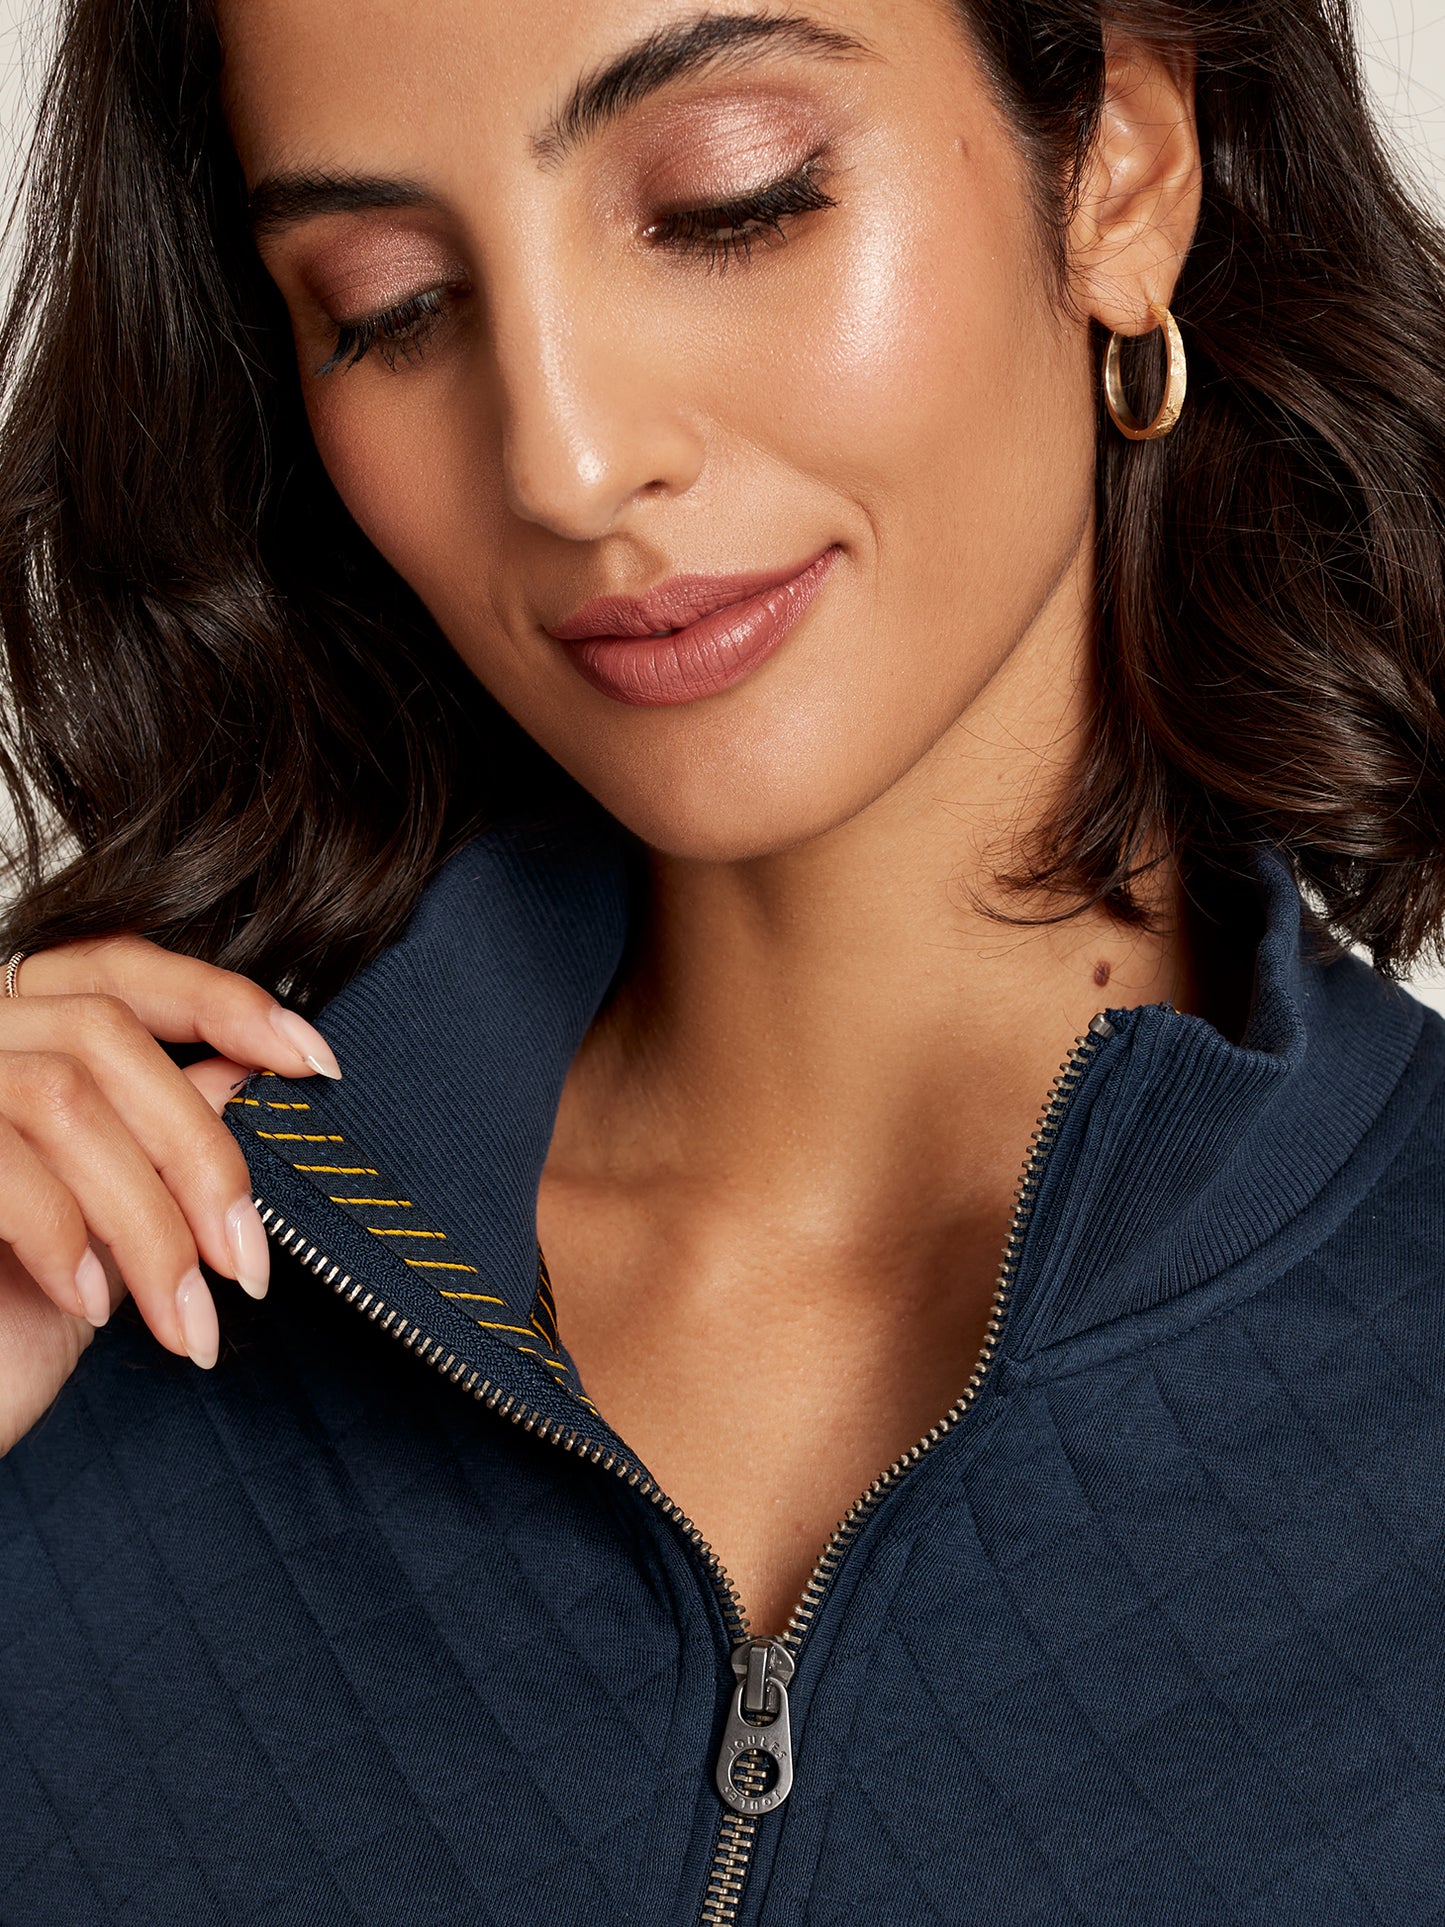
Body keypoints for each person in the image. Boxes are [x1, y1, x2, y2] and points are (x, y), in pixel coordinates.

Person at [1, 0, 1443, 1918]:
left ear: (1119, 162)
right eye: (390, 307)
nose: (567, 460)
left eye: (725, 203)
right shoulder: (93, 1298)